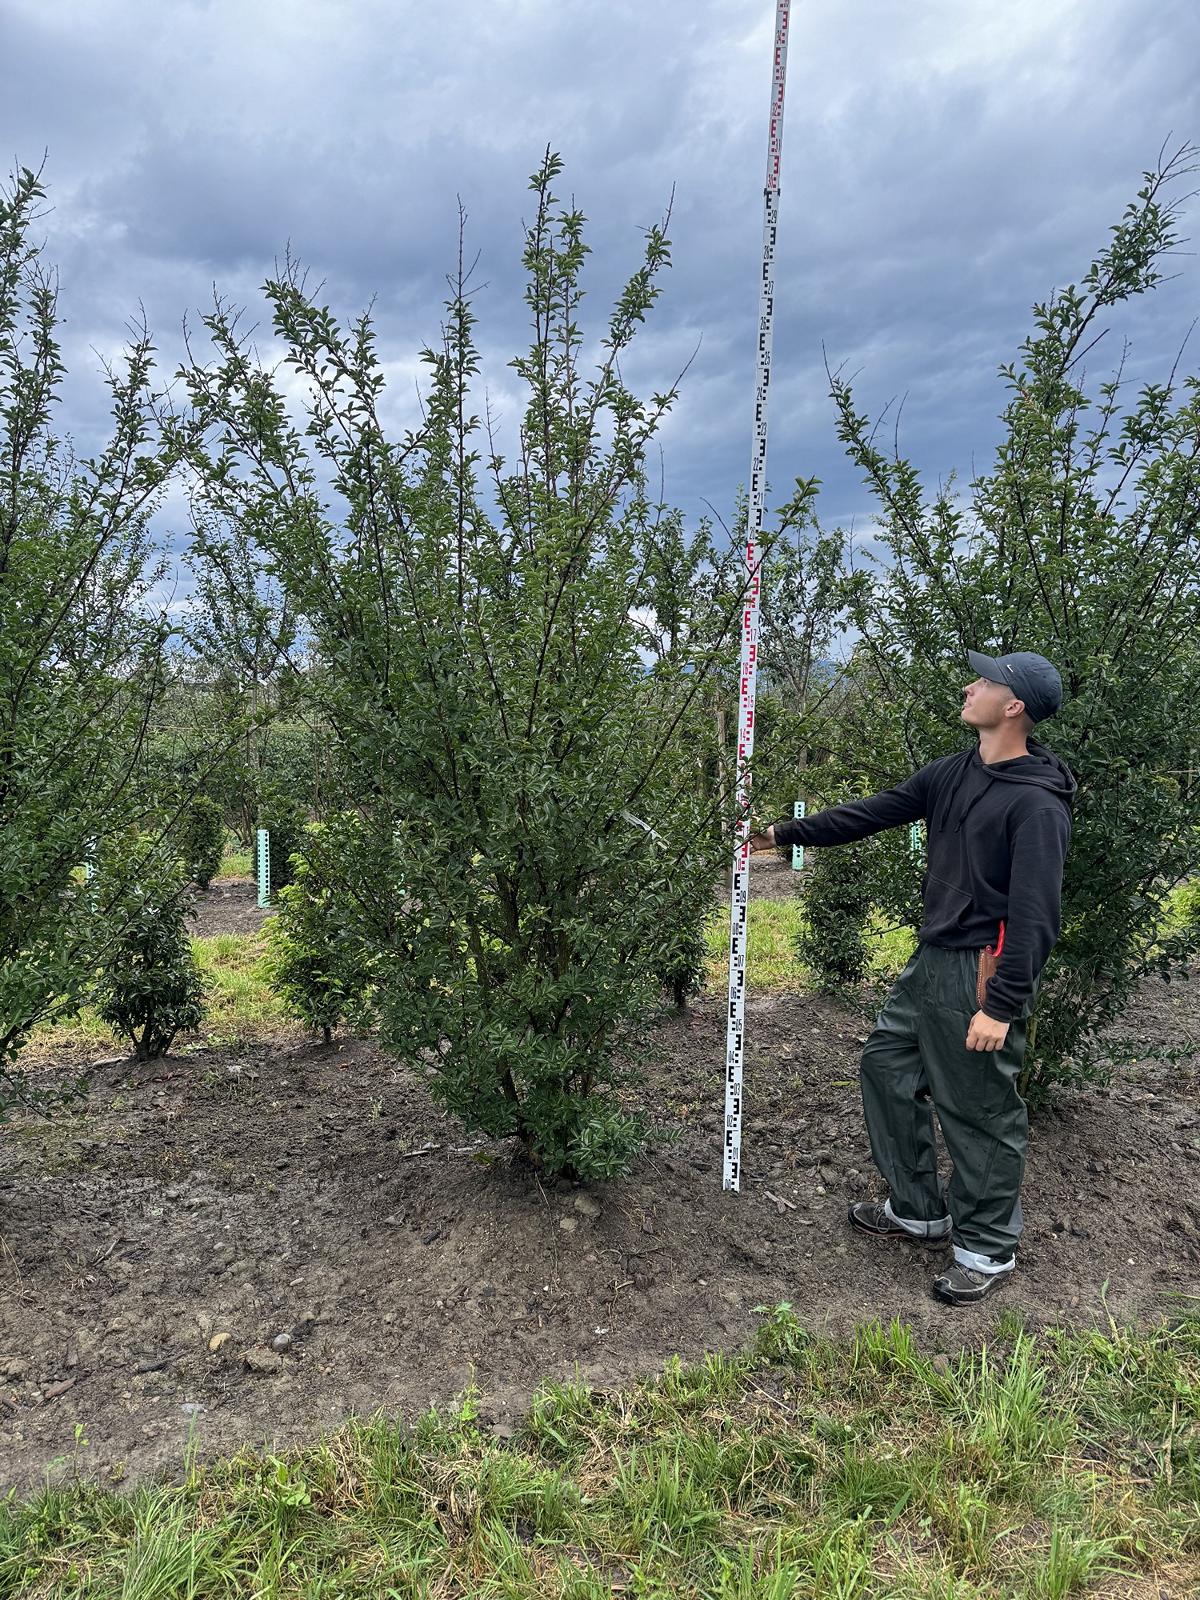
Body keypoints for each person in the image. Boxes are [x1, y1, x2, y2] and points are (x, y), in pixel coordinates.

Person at [749, 651, 1076, 1304]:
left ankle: (986, 1249)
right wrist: (780, 833)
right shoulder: (952, 774)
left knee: (978, 1109)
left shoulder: (1037, 805)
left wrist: (1001, 1006)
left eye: (984, 682)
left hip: (983, 972)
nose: (969, 685)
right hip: (931, 961)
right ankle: (919, 1208)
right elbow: (872, 813)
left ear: (1014, 707)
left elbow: (1036, 915)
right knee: (886, 1066)